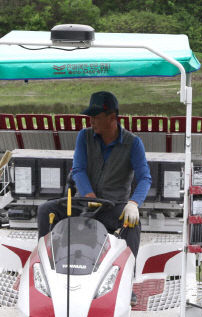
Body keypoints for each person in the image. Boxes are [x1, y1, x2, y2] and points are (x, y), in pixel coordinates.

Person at [37, 91, 151, 257]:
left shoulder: (133, 143)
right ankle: (45, 261)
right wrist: (89, 196)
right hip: (82, 203)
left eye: (95, 117)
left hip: (113, 207)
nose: (90, 121)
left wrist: (133, 203)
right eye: (90, 117)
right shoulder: (84, 136)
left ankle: (128, 273)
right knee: (45, 210)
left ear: (112, 118)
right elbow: (78, 169)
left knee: (133, 223)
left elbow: (145, 178)